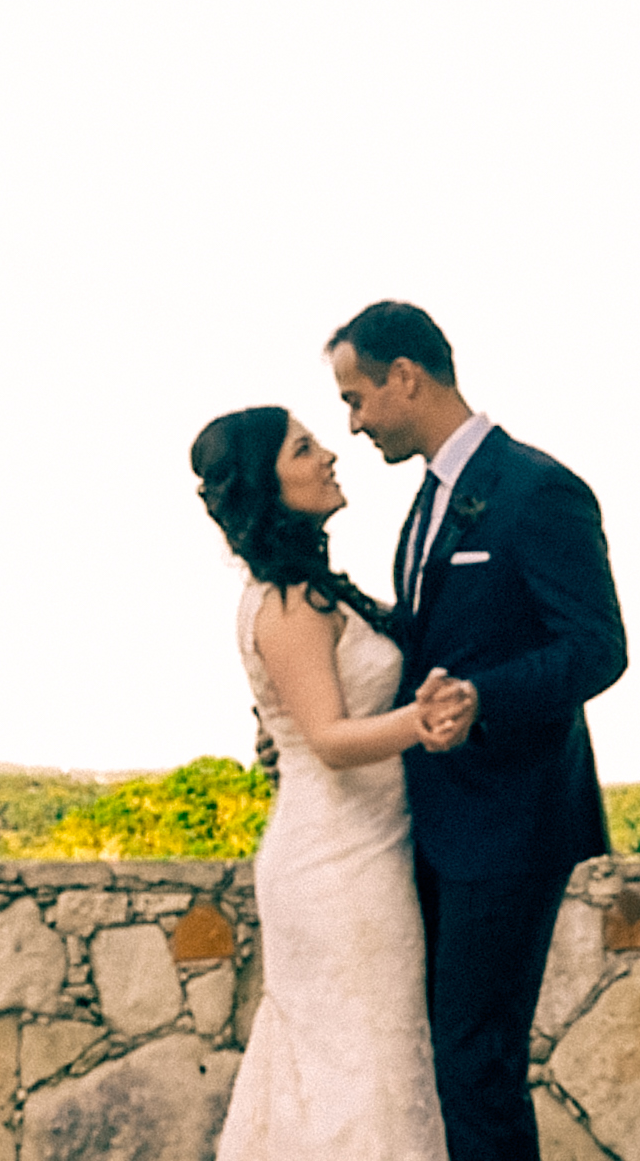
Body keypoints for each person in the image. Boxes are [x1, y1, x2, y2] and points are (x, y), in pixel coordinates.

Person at [332, 301, 627, 1161]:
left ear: (405, 377)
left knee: (476, 1064)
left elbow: (598, 649)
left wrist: (481, 695)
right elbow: (429, 642)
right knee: (452, 1060)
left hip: (511, 824)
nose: (352, 424)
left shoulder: (540, 491)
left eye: (356, 399)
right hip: (432, 823)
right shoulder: (427, 502)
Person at [192, 403, 476, 1161]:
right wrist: (425, 718)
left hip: (368, 851)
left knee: (362, 1066)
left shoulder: (314, 590)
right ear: (267, 484)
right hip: (336, 871)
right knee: (363, 1073)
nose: (329, 454)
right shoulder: (286, 603)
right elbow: (326, 740)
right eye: (303, 448)